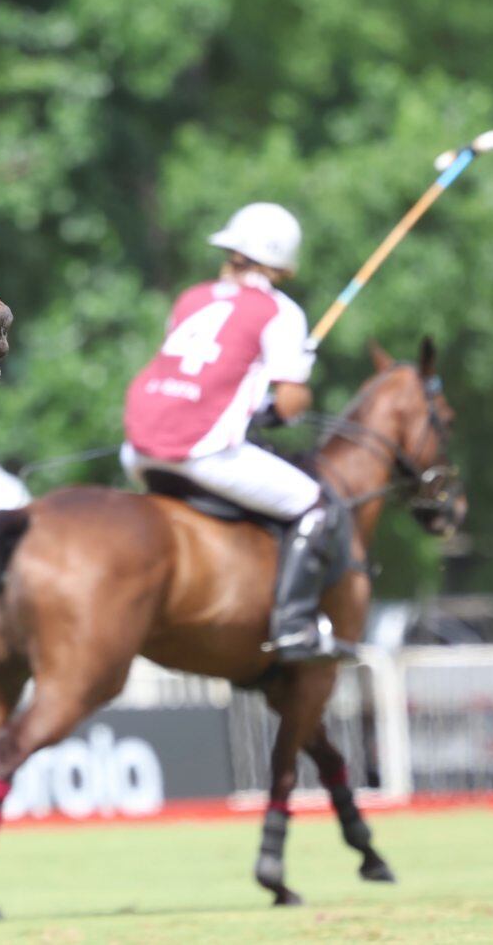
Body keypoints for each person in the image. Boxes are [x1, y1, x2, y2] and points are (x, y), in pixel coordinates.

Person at [120, 203, 354, 663]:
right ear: (283, 260)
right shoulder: (279, 311)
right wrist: (279, 406)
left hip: (137, 451)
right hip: (203, 452)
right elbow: (289, 402)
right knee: (317, 507)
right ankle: (292, 627)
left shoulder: (192, 297)